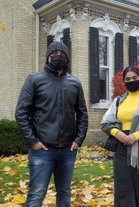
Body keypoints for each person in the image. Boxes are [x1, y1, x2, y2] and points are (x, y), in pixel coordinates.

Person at [15, 41, 88, 206]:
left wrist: (78, 140)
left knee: (64, 194)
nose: (58, 57)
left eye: (62, 54)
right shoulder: (34, 80)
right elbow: (21, 112)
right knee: (36, 195)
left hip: (68, 151)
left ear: (67, 58)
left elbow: (82, 113)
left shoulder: (75, 83)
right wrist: (33, 141)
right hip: (42, 150)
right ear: (48, 57)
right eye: (54, 54)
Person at [101, 66, 139, 207]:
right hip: (121, 145)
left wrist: (135, 136)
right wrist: (117, 133)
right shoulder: (119, 101)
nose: (131, 81)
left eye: (134, 78)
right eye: (128, 79)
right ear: (124, 81)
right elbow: (106, 123)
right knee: (123, 188)